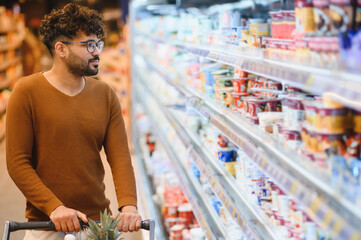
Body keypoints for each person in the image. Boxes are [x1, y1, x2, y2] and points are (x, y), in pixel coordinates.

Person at [6, 3, 141, 239]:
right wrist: (54, 206)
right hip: (46, 224)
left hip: (98, 224)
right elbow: (18, 163)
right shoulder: (27, 91)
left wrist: (128, 205)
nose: (97, 51)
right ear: (61, 49)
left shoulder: (106, 95)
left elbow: (120, 157)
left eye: (98, 43)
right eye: (89, 45)